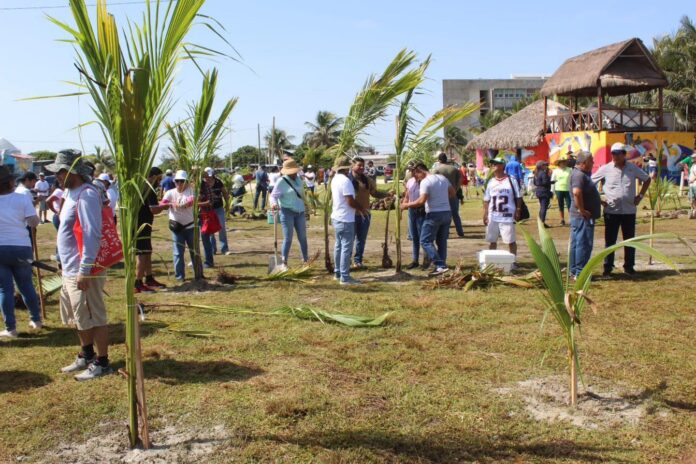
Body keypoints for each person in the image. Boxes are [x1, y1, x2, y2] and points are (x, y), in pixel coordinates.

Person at [48, 149, 112, 380]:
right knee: (78, 315)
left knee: (93, 315)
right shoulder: (70, 193)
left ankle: (102, 362)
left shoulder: (86, 195)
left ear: (71, 172)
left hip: (85, 269)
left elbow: (91, 233)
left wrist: (85, 269)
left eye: (60, 172)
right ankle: (86, 355)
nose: (57, 176)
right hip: (70, 267)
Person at [592, 142, 651, 276]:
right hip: (611, 211)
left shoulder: (632, 168)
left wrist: (640, 196)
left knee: (629, 240)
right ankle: (608, 267)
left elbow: (647, 179)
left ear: (624, 155)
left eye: (618, 153)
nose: (615, 156)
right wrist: (599, 199)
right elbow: (590, 183)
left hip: (629, 211)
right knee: (610, 241)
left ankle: (629, 266)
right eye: (613, 153)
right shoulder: (606, 169)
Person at [0, 166, 43, 338]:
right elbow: (33, 222)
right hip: (21, 246)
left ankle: (11, 328)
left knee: (4, 289)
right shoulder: (22, 198)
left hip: (1, 248)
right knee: (26, 285)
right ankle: (36, 319)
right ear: (10, 182)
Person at [401, 162, 455, 275]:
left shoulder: (425, 182)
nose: (416, 177)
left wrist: (406, 205)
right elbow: (453, 193)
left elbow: (421, 201)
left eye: (416, 174)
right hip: (446, 212)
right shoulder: (442, 178)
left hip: (434, 214)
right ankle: (442, 265)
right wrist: (441, 199)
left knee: (424, 240)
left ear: (420, 171)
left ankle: (440, 265)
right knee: (441, 241)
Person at [348, 157, 392, 269]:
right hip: (350, 215)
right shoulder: (346, 180)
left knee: (361, 240)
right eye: (359, 165)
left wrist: (386, 194)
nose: (362, 167)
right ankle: (346, 261)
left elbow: (375, 193)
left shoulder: (367, 180)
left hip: (365, 214)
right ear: (352, 166)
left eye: (363, 165)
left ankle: (358, 261)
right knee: (349, 239)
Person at [331, 156, 366, 285]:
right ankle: (345, 277)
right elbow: (349, 200)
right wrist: (361, 208)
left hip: (337, 216)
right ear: (348, 168)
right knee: (346, 247)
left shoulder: (335, 179)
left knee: (339, 246)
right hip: (345, 218)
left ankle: (338, 273)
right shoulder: (345, 181)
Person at [270, 159, 309, 267]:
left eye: (295, 171)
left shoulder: (299, 180)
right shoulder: (281, 181)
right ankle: (284, 263)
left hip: (300, 212)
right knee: (288, 238)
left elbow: (301, 194)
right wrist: (273, 203)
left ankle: (306, 259)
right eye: (291, 171)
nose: (294, 173)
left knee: (303, 237)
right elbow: (273, 196)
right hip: (287, 212)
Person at [569, 152, 601, 279]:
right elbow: (577, 193)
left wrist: (599, 201)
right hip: (582, 217)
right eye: (591, 160)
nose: (593, 163)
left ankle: (574, 271)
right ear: (584, 163)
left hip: (580, 216)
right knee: (583, 243)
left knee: (577, 243)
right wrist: (582, 210)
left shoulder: (580, 174)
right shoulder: (578, 175)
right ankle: (580, 272)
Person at [135, 167, 167, 293]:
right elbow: (154, 209)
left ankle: (149, 278)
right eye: (159, 178)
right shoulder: (149, 188)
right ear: (153, 176)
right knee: (142, 253)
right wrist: (165, 206)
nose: (160, 182)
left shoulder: (139, 186)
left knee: (147, 251)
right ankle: (137, 282)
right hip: (141, 225)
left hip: (140, 224)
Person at [161, 170, 197, 281]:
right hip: (177, 227)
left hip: (190, 227)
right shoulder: (170, 192)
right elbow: (163, 204)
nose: (179, 183)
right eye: (177, 181)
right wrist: (171, 204)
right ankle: (179, 277)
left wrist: (175, 204)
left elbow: (189, 203)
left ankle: (198, 275)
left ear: (186, 181)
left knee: (194, 252)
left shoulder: (192, 191)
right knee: (178, 253)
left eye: (182, 181)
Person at [483, 157, 522, 257]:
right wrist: (485, 213)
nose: (493, 165)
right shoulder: (491, 182)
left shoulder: (511, 180)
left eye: (496, 163)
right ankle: (491, 261)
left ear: (503, 166)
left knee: (510, 241)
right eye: (492, 164)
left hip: (507, 216)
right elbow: (486, 199)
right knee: (492, 241)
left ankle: (513, 261)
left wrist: (518, 210)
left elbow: (518, 196)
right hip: (493, 216)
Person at [199, 167, 230, 266]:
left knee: (222, 228)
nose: (208, 177)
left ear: (212, 174)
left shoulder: (218, 182)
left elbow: (224, 192)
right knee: (210, 230)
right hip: (208, 210)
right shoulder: (202, 184)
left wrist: (227, 204)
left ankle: (224, 249)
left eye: (209, 175)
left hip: (219, 208)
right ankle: (212, 249)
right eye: (206, 176)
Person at [432, 152, 464, 237]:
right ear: (446, 159)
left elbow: (433, 182)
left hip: (442, 196)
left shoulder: (437, 170)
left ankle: (445, 232)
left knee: (444, 214)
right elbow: (460, 181)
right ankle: (460, 231)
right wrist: (455, 190)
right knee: (455, 214)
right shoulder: (454, 169)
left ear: (439, 160)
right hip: (453, 194)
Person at [402, 162, 426, 269]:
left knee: (423, 237)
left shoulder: (424, 182)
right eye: (411, 170)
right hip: (412, 210)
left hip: (422, 210)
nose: (412, 173)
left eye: (414, 170)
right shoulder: (410, 181)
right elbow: (407, 196)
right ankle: (415, 260)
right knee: (414, 236)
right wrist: (403, 206)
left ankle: (427, 259)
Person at [551, 157, 572, 225]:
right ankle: (562, 219)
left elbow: (573, 179)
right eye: (562, 162)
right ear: (559, 163)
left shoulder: (570, 170)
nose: (563, 163)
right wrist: (552, 191)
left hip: (568, 189)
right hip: (558, 190)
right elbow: (552, 181)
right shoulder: (555, 171)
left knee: (569, 205)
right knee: (561, 205)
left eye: (564, 162)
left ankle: (571, 219)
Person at [533, 160, 553, 228]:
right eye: (544, 165)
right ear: (541, 166)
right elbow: (545, 182)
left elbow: (535, 183)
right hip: (544, 191)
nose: (546, 166)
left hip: (538, 191)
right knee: (544, 208)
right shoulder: (543, 173)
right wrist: (551, 181)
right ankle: (542, 223)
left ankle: (540, 222)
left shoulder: (536, 173)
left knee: (542, 207)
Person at [689, 153, 696, 219]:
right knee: (691, 199)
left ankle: (694, 211)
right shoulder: (693, 165)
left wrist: (692, 180)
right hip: (692, 185)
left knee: (693, 199)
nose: (692, 159)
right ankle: (694, 210)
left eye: (693, 158)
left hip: (694, 185)